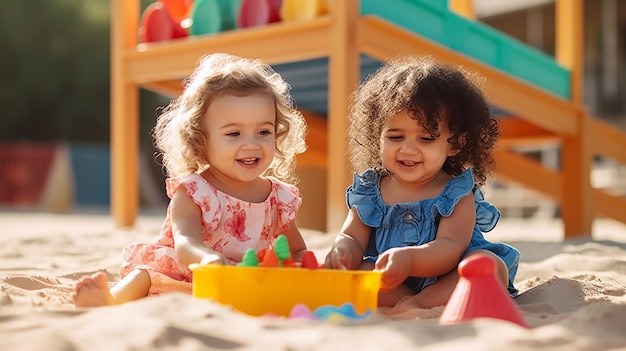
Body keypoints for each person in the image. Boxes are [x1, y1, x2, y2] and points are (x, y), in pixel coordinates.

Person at [74, 53, 309, 307]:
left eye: (264, 131)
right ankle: (111, 299)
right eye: (234, 133)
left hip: (241, 282)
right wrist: (206, 258)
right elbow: (186, 243)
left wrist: (301, 264)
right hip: (187, 274)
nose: (251, 144)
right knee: (145, 276)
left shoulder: (277, 198)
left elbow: (296, 250)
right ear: (200, 139)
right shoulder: (193, 192)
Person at [324, 55, 520, 313]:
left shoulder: (455, 192)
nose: (407, 149)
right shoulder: (371, 190)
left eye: (426, 138)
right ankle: (405, 300)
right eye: (395, 136)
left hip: (448, 276)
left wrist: (409, 259)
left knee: (486, 264)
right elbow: (352, 236)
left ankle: (420, 303)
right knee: (356, 273)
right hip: (395, 280)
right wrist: (344, 251)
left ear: (455, 144)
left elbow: (449, 247)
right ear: (377, 136)